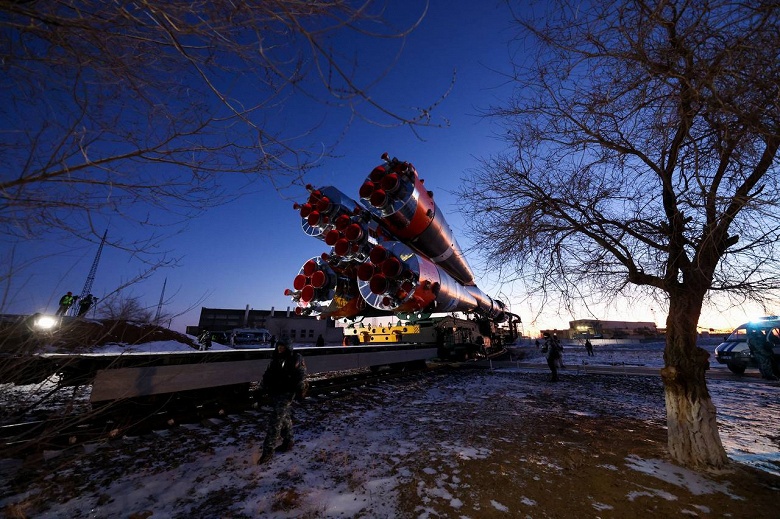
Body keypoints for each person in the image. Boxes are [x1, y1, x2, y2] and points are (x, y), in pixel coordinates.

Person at [259, 336, 307, 464]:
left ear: (288, 347)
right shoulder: (275, 359)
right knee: (284, 417)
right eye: (279, 346)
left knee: (275, 421)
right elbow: (268, 373)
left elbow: (301, 374)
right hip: (276, 392)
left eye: (282, 347)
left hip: (287, 393)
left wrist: (300, 388)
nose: (280, 349)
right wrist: (262, 386)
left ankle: (267, 451)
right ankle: (288, 441)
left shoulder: (295, 358)